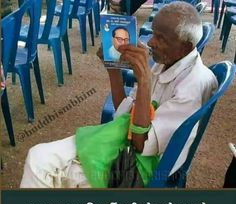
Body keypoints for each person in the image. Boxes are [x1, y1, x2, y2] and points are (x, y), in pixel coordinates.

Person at [20, 1, 218, 188]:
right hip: (123, 143)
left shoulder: (191, 86)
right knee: (38, 158)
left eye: (160, 38)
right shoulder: (169, 62)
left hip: (137, 166)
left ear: (185, 47)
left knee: (39, 163)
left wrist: (144, 81)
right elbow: (123, 109)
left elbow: (141, 144)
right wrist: (113, 68)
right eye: (154, 34)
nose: (150, 42)